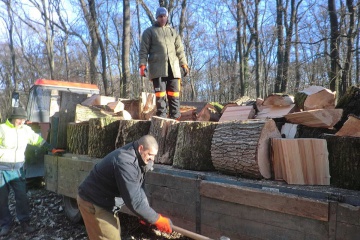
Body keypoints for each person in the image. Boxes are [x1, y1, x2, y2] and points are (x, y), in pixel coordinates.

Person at [77, 135, 172, 240]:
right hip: (94, 202)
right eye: (150, 154)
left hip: (105, 202)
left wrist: (145, 214)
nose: (152, 159)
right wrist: (157, 219)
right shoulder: (126, 162)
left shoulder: (139, 158)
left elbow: (138, 189)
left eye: (154, 156)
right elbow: (134, 200)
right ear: (140, 148)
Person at [0, 107, 63, 236]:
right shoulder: (2, 129)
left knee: (22, 197)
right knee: (1, 199)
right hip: (2, 169)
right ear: (12, 118)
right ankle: (5, 224)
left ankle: (24, 222)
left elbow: (37, 140)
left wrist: (51, 148)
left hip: (18, 170)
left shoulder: (26, 130)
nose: (21, 122)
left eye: (23, 119)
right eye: (19, 119)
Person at [139, 7, 189, 120]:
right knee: (160, 95)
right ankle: (161, 118)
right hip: (158, 69)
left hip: (173, 68)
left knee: (174, 94)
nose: (162, 18)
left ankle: (175, 117)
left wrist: (184, 64)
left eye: (164, 16)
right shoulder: (149, 32)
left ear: (167, 17)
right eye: (160, 16)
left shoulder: (173, 32)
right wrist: (142, 65)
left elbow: (180, 50)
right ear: (157, 17)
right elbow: (143, 50)